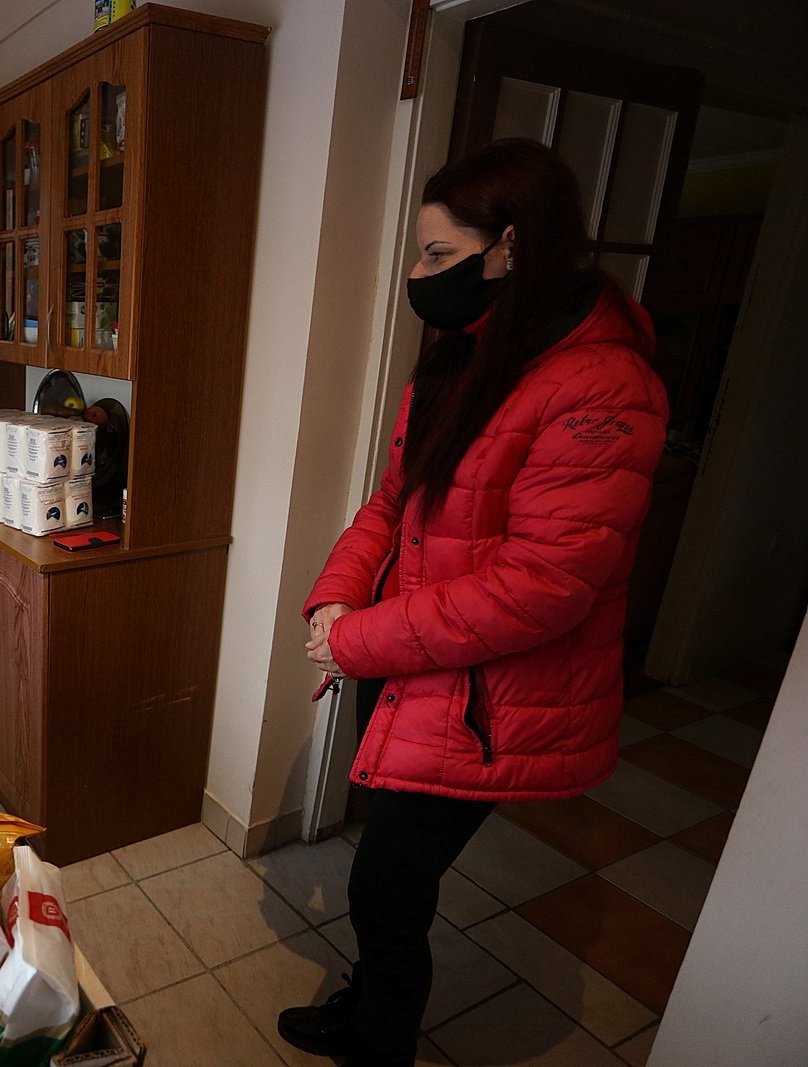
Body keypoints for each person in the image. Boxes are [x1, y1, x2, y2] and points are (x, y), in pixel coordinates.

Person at [278, 138, 668, 1066]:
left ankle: (379, 1043)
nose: (419, 275)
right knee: (386, 874)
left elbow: (544, 588)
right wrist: (334, 606)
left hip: (490, 695)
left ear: (511, 248)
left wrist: (358, 640)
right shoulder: (463, 358)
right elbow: (394, 500)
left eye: (437, 255)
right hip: (412, 661)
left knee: (387, 885)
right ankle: (366, 1008)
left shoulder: (603, 385)